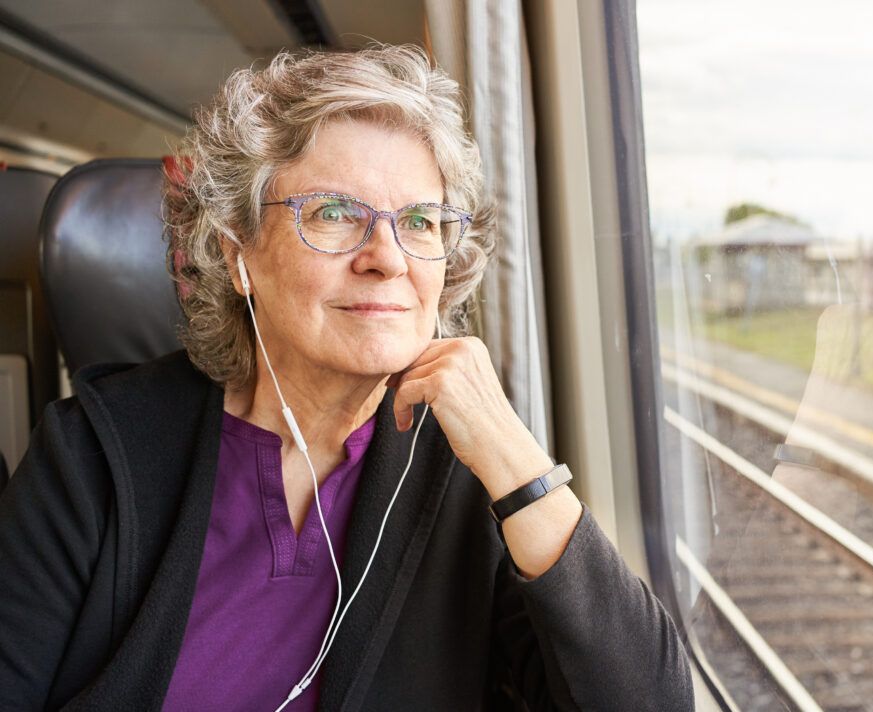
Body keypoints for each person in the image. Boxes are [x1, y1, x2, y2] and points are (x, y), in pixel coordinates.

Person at [0, 45, 694, 711]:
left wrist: (518, 463)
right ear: (236, 253)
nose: (387, 258)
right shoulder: (93, 450)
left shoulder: (470, 473)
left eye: (420, 221)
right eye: (334, 214)